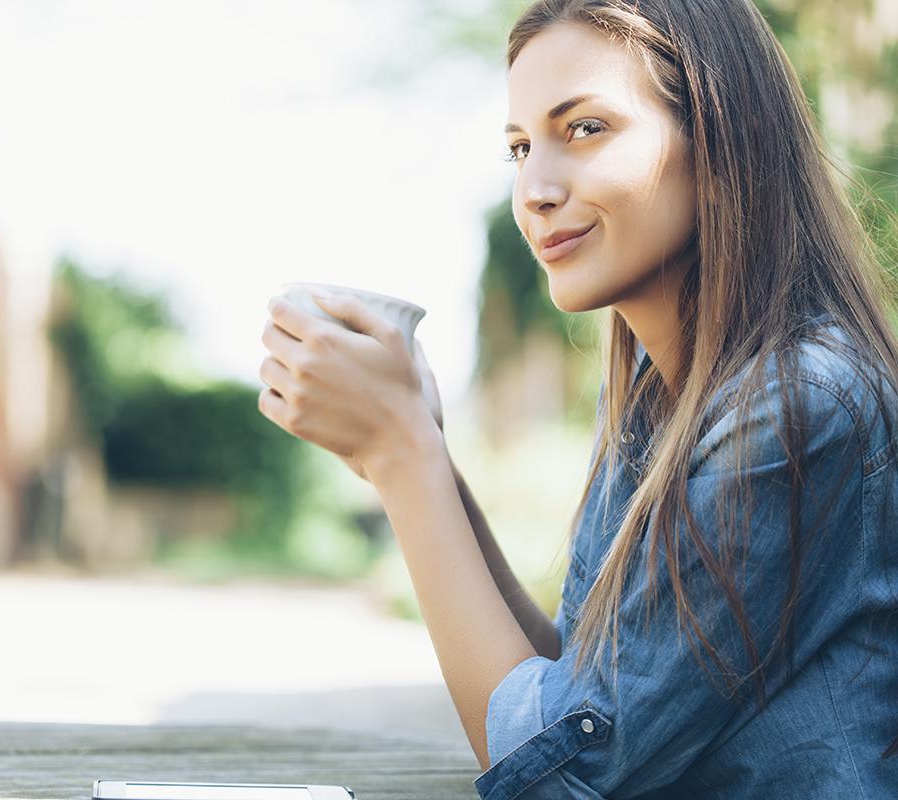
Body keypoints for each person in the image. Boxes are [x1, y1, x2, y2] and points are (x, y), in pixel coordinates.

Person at [256, 0, 898, 797]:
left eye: (585, 128)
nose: (535, 188)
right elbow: (577, 698)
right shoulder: (651, 401)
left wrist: (402, 457)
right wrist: (419, 446)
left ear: (724, 139)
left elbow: (564, 777)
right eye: (521, 147)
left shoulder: (800, 405)